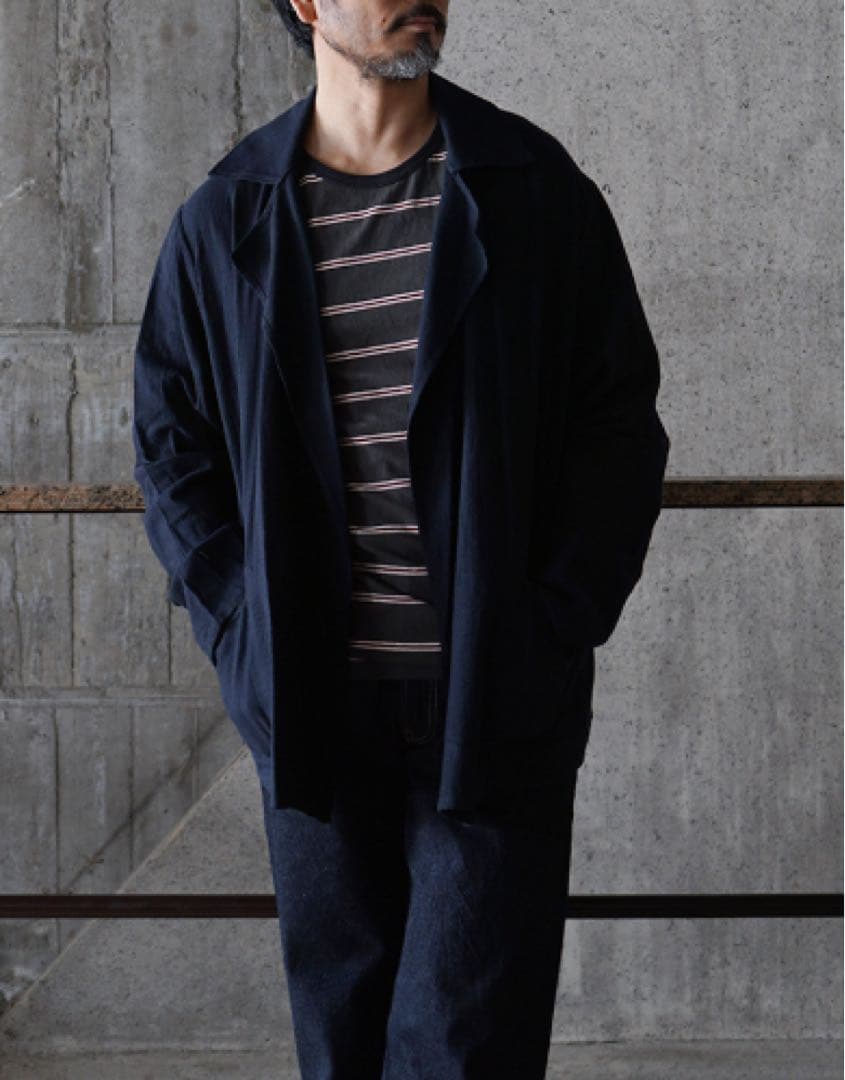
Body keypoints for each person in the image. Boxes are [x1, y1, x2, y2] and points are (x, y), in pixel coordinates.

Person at [131, 1, 671, 1076]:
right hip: (312, 706)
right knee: (340, 1040)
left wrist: (553, 622)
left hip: (491, 698)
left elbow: (617, 423)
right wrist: (240, 623)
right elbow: (170, 444)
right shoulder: (228, 214)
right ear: (304, 3)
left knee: (466, 1046)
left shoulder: (529, 190)